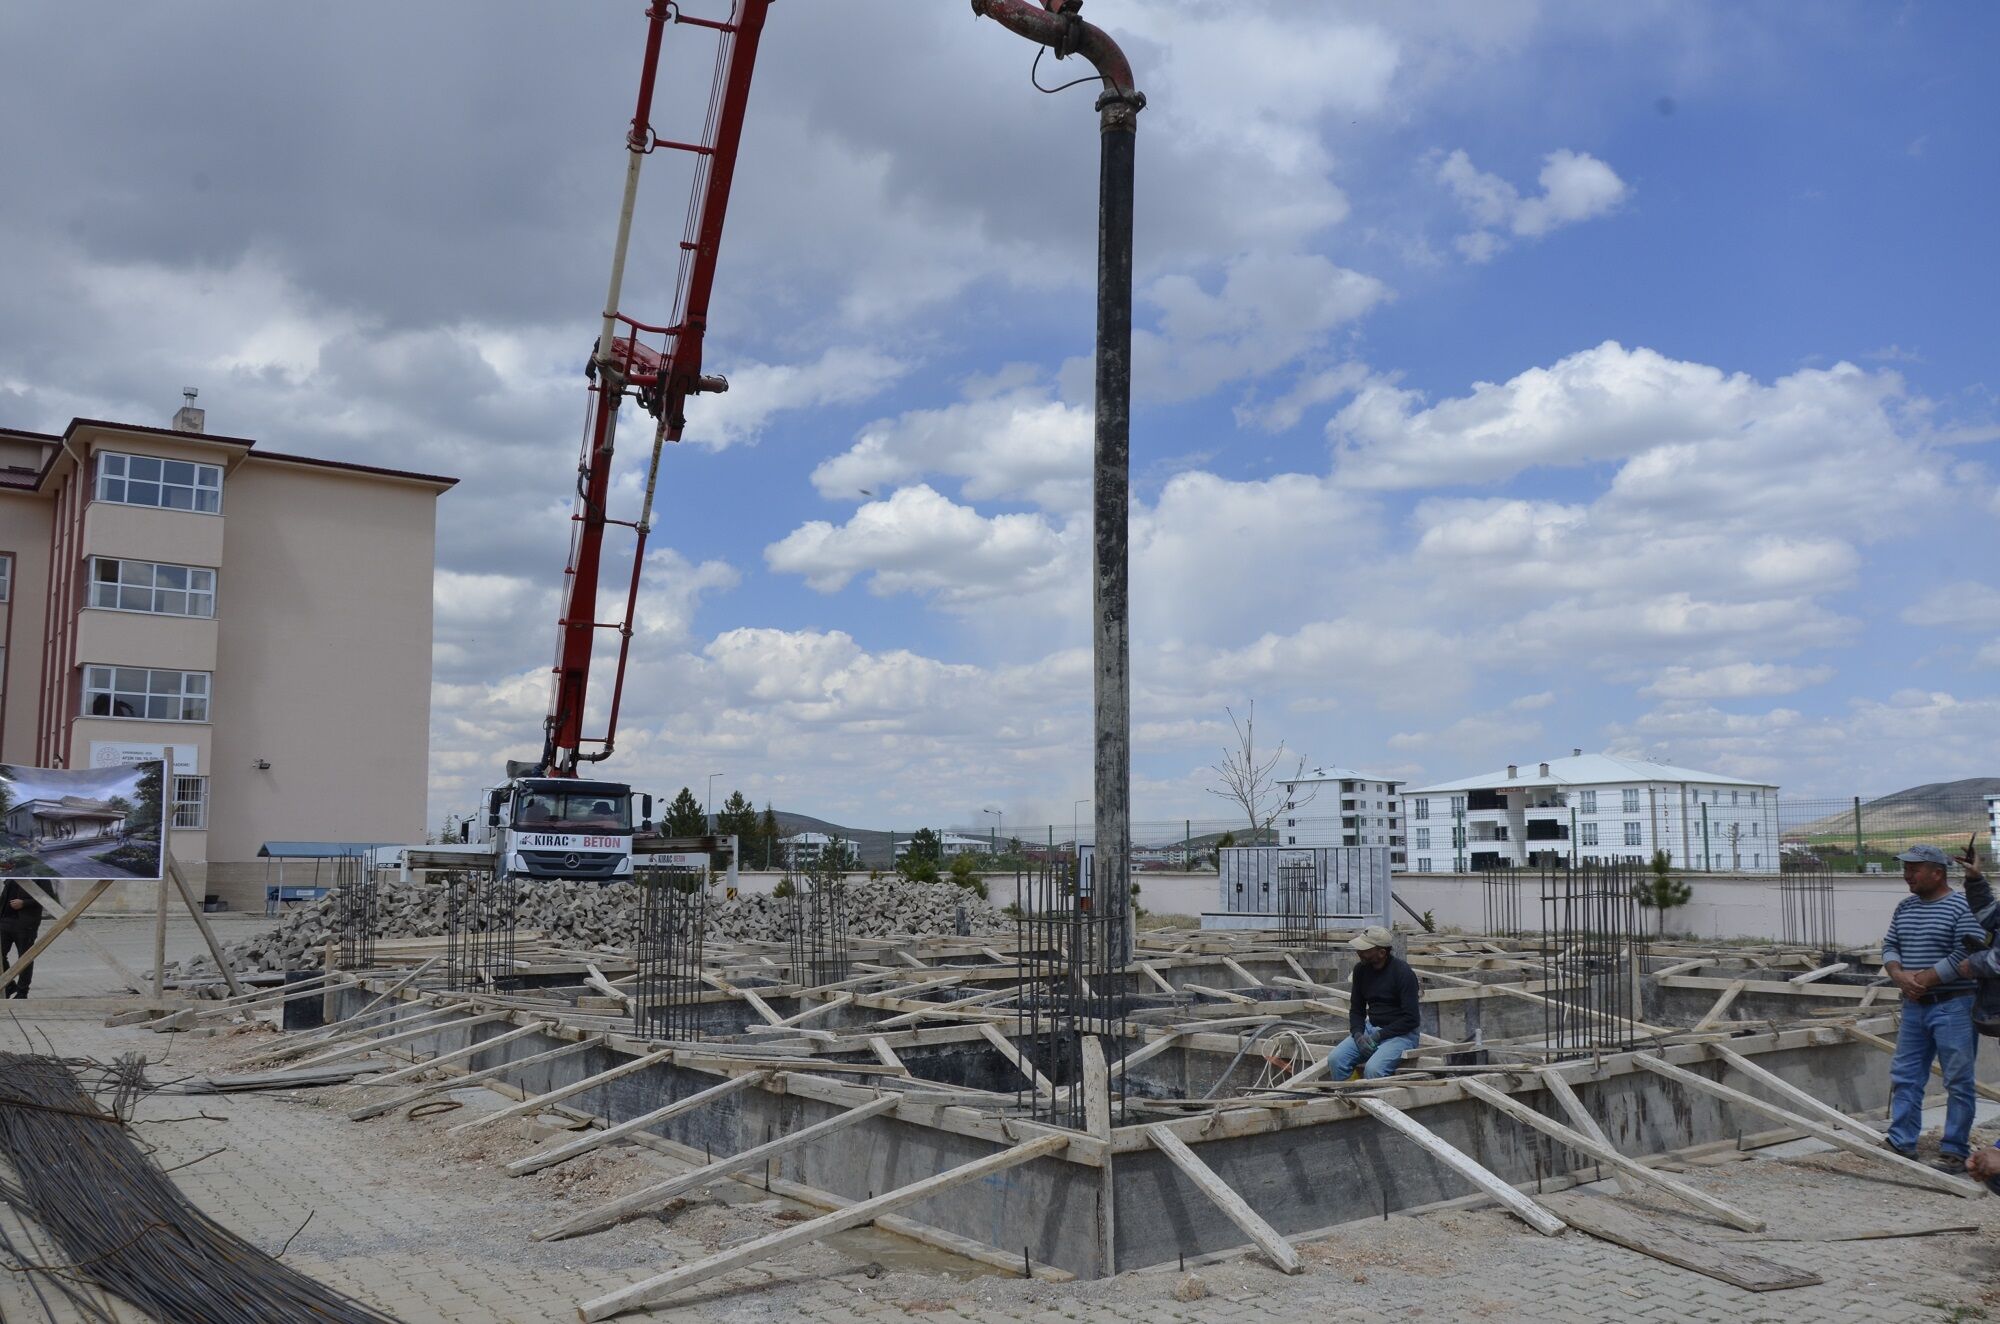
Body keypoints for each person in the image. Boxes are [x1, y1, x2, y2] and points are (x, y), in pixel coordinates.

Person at [1882, 844, 1984, 1172]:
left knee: (1958, 1079)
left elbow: (1966, 954)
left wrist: (1923, 978)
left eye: (1914, 869)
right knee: (1906, 1075)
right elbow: (1890, 944)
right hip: (1915, 1004)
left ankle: (1954, 1149)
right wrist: (1898, 974)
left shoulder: (1962, 906)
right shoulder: (1905, 908)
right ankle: (1901, 1140)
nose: (1907, 875)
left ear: (1937, 873)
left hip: (1953, 1005)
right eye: (1906, 868)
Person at [1327, 925, 1421, 1080]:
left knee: (1374, 1070)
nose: (1359, 953)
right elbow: (1357, 1010)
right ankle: (1352, 1098)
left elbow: (1411, 1019)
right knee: (1336, 1060)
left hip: (1401, 1035)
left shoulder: (1403, 973)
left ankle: (1375, 1103)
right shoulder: (1361, 971)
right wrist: (1358, 1034)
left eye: (1365, 950)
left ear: (1382, 953)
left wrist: (1379, 1036)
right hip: (1371, 1030)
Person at [0, 879, 47, 999]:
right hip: (5, 921)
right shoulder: (14, 872)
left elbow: (47, 897)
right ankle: (9, 985)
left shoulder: (39, 874)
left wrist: (24, 903)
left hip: (25, 924)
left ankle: (22, 992)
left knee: (25, 958)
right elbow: (5, 895)